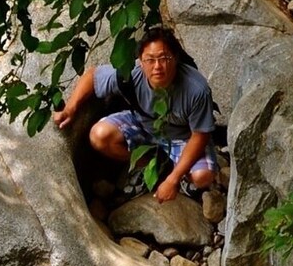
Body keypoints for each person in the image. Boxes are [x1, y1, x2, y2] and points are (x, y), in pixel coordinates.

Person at [52, 27, 217, 204]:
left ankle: (181, 173)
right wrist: (70, 109)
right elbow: (92, 76)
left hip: (182, 137)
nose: (157, 66)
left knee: (202, 177)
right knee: (99, 136)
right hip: (142, 125)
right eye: (150, 60)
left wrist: (173, 179)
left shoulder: (196, 89)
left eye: (164, 58)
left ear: (175, 58)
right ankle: (146, 165)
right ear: (141, 61)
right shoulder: (131, 74)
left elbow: (200, 136)